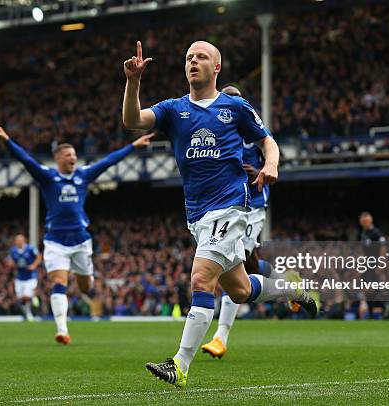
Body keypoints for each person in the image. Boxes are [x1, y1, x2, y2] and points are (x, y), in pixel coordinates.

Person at [122, 40, 317, 388]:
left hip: (231, 207)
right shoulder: (174, 109)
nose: (193, 62)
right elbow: (133, 120)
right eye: (189, 58)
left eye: (201, 57)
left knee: (200, 280)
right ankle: (291, 288)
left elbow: (267, 140)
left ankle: (180, 365)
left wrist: (270, 164)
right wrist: (133, 81)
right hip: (197, 215)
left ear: (217, 67)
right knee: (240, 291)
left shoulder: (235, 107)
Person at [0, 122, 153, 344]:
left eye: (74, 155)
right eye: (68, 155)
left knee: (86, 286)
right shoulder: (48, 177)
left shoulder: (83, 176)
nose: (73, 158)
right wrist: (7, 140)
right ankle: (62, 329)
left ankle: (86, 280)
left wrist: (133, 146)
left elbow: (108, 161)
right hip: (55, 241)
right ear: (58, 158)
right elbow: (26, 161)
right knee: (59, 281)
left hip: (80, 241)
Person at [200, 85, 298, 359]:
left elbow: (274, 156)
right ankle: (288, 284)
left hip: (252, 206)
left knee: (234, 260)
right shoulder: (217, 132)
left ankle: (221, 337)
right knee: (249, 265)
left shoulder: (252, 132)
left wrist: (260, 170)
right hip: (225, 207)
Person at [6, 234, 41, 321]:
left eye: (20, 240)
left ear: (24, 241)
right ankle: (28, 312)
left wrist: (34, 265)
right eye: (17, 240)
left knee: (26, 296)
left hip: (30, 276)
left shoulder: (30, 249)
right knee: (20, 298)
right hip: (19, 277)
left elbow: (39, 256)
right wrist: (10, 264)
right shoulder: (13, 251)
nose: (19, 242)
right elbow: (10, 260)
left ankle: (32, 299)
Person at [359, 212, 387, 319]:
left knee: (372, 289)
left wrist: (381, 264)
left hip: (374, 263)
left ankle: (382, 308)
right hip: (366, 264)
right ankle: (371, 312)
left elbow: (383, 247)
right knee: (366, 290)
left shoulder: (376, 233)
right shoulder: (363, 233)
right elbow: (363, 250)